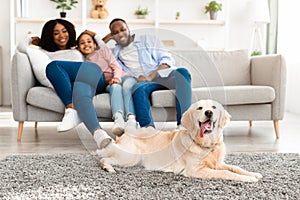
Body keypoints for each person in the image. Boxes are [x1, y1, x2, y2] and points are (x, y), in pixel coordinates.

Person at [105, 18, 192, 129]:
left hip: (163, 75)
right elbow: (96, 50)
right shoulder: (114, 52)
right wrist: (108, 37)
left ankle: (183, 125)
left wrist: (151, 76)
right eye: (115, 33)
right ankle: (148, 129)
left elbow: (166, 59)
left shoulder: (147, 39)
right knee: (137, 90)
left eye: (123, 29)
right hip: (144, 83)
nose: (120, 34)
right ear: (112, 36)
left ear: (128, 29)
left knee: (183, 72)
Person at [76, 31, 137, 136]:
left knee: (126, 87)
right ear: (78, 48)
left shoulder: (103, 51)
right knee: (115, 87)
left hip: (124, 76)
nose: (86, 44)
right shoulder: (84, 62)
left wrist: (116, 77)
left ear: (95, 45)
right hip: (109, 83)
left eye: (89, 41)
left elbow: (116, 66)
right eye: (82, 43)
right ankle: (118, 119)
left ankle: (131, 119)